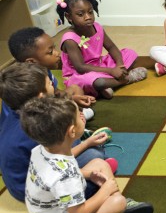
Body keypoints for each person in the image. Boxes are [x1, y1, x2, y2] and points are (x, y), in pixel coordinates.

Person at [19, 95, 154, 213]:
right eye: (79, 116)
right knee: (118, 203)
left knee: (99, 163)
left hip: (60, 203)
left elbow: (60, 167)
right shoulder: (65, 178)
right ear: (72, 132)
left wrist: (86, 162)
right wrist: (105, 191)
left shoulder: (40, 150)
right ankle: (116, 208)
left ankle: (111, 202)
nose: (83, 117)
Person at [0, 62, 109, 202]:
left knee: (86, 147)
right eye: (49, 83)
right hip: (33, 192)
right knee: (95, 155)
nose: (53, 82)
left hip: (21, 183)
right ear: (40, 96)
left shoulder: (17, 111)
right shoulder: (37, 125)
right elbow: (56, 163)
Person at [57, 0, 152, 100]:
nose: (88, 17)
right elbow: (80, 67)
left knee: (130, 53)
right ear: (69, 17)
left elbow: (111, 47)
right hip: (79, 75)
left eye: (90, 12)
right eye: (80, 14)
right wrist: (111, 71)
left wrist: (119, 65)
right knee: (99, 82)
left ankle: (110, 83)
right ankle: (126, 79)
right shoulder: (70, 39)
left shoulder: (97, 27)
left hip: (99, 65)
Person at [6, 26, 95, 121]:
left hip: (46, 105)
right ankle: (75, 120)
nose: (57, 53)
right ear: (31, 62)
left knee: (75, 88)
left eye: (54, 48)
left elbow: (55, 93)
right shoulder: (26, 84)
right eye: (50, 52)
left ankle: (77, 117)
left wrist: (74, 98)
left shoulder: (43, 69)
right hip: (30, 121)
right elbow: (39, 113)